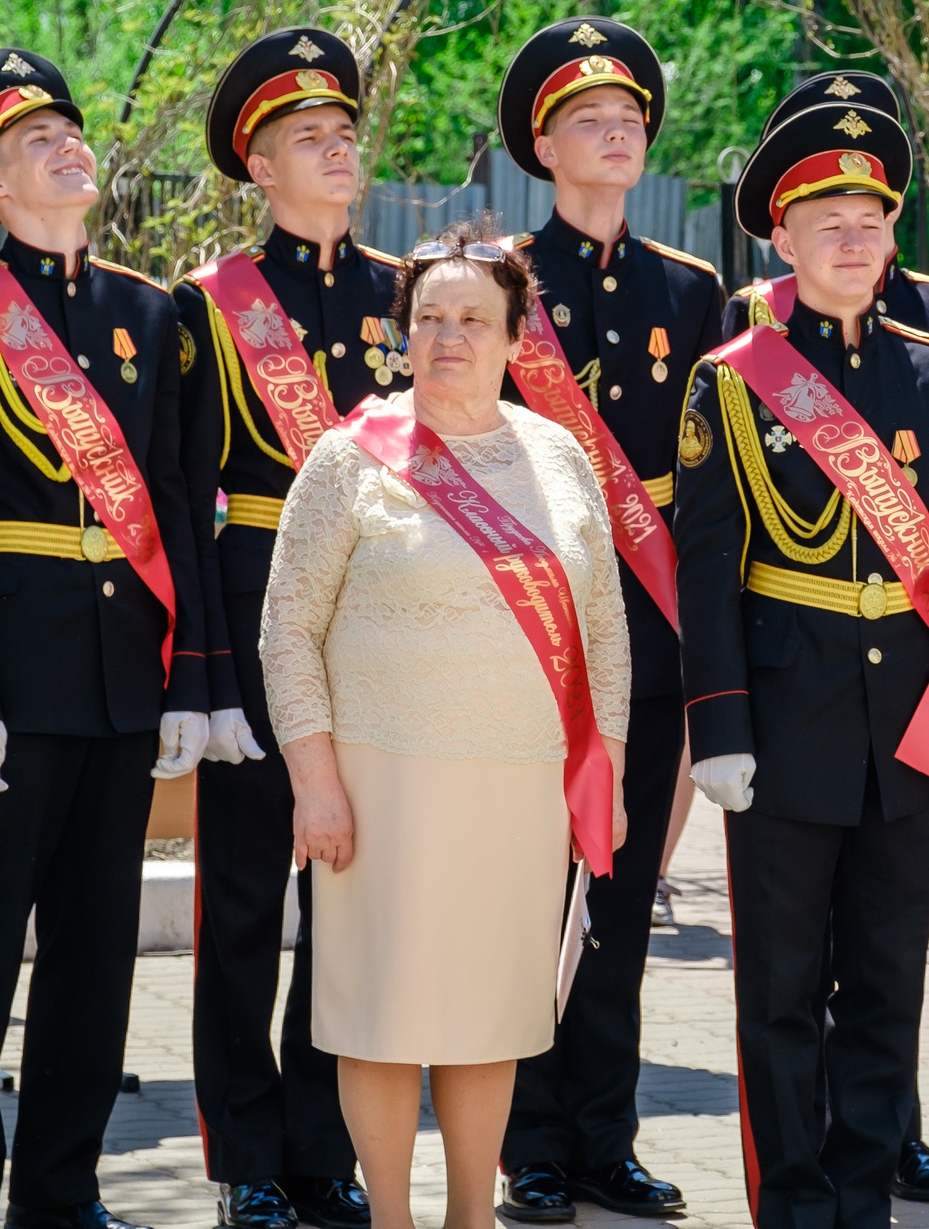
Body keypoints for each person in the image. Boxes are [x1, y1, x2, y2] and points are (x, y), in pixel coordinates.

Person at [675, 100, 929, 1229]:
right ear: (782, 238)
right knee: (778, 992)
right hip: (782, 715)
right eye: (827, 217)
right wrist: (715, 725)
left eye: (870, 216)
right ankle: (795, 1205)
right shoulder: (732, 379)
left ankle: (861, 1201)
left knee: (883, 987)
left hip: (905, 721)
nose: (853, 237)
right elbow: (707, 566)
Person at [257, 223, 632, 1229]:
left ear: (516, 338)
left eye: (474, 318)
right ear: (402, 335)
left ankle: (471, 1215)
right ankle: (392, 1217)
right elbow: (287, 625)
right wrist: (315, 782)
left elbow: (604, 627)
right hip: (380, 786)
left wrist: (610, 775)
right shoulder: (348, 460)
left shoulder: (557, 454)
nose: (450, 337)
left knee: (486, 1021)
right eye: (429, 318)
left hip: (518, 783)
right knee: (377, 1019)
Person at [0, 47, 212, 1229]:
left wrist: (187, 678)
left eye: (72, 132)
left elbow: (174, 505)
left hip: (123, 677)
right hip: (14, 676)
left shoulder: (149, 311)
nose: (68, 148)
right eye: (38, 139)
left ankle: (61, 1191)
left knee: (94, 960)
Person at [490, 17, 725, 1223]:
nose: (618, 131)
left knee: (625, 884)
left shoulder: (691, 289)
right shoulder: (496, 284)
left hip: (648, 613)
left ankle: (604, 1134)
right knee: (536, 882)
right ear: (544, 143)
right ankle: (528, 1138)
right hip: (530, 614)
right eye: (591, 118)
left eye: (631, 116)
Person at [174, 27, 399, 1229]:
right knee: (247, 906)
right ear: (258, 168)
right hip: (262, 597)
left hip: (379, 619)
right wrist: (204, 675)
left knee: (349, 906)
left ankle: (322, 1148)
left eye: (346, 134)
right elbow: (180, 493)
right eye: (309, 139)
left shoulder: (402, 295)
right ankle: (242, 1155)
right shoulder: (213, 306)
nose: (337, 151)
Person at [725, 71, 929, 370]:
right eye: (831, 223)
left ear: (894, 199)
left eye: (867, 219)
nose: (853, 243)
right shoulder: (756, 310)